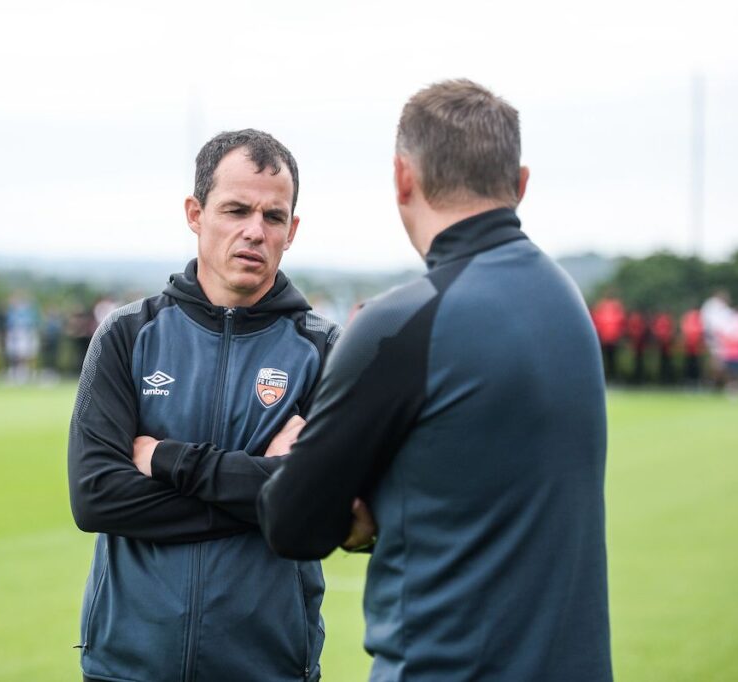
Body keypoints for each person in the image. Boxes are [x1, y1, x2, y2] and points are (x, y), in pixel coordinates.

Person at [258, 80, 613, 681]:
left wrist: (301, 468)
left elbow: (291, 522)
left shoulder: (399, 323)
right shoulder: (567, 303)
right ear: (520, 185)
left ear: (402, 178)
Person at [67, 129, 338, 682]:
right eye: (236, 210)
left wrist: (171, 462)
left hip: (267, 667)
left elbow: (318, 510)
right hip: (129, 665)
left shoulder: (326, 351)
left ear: (293, 230)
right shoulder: (127, 334)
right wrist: (265, 493)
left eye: (274, 217)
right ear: (195, 213)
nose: (254, 232)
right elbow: (96, 498)